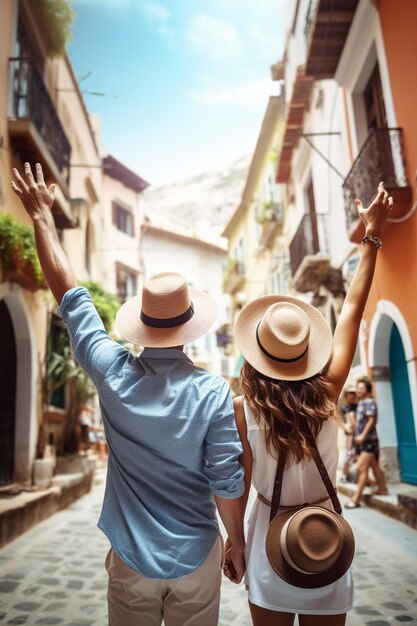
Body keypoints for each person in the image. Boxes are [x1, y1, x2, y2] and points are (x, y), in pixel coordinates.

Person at [11, 163, 245, 626]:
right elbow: (226, 480)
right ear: (189, 329)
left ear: (143, 324)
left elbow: (69, 294)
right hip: (197, 554)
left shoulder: (111, 371)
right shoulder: (213, 392)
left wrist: (41, 216)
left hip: (130, 553)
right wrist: (234, 540)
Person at [224, 182, 392, 626]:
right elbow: (353, 308)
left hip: (267, 535)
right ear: (307, 351)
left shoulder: (243, 410)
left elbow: (237, 484)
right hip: (323, 536)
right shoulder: (328, 392)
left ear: (257, 357)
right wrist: (371, 235)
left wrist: (235, 542)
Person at [345, 379, 388, 508]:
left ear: (368, 390)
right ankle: (382, 489)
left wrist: (363, 435)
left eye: (361, 388)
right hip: (364, 441)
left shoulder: (369, 402)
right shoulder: (362, 403)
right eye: (358, 388)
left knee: (360, 468)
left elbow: (372, 420)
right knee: (374, 465)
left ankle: (357, 499)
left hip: (368, 440)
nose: (358, 390)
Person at [339, 387, 357, 483]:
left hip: (358, 433)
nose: (352, 395)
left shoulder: (357, 406)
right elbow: (341, 421)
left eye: (354, 393)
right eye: (350, 393)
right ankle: (344, 475)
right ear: (346, 395)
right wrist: (347, 428)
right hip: (349, 435)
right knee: (349, 455)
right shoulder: (343, 408)